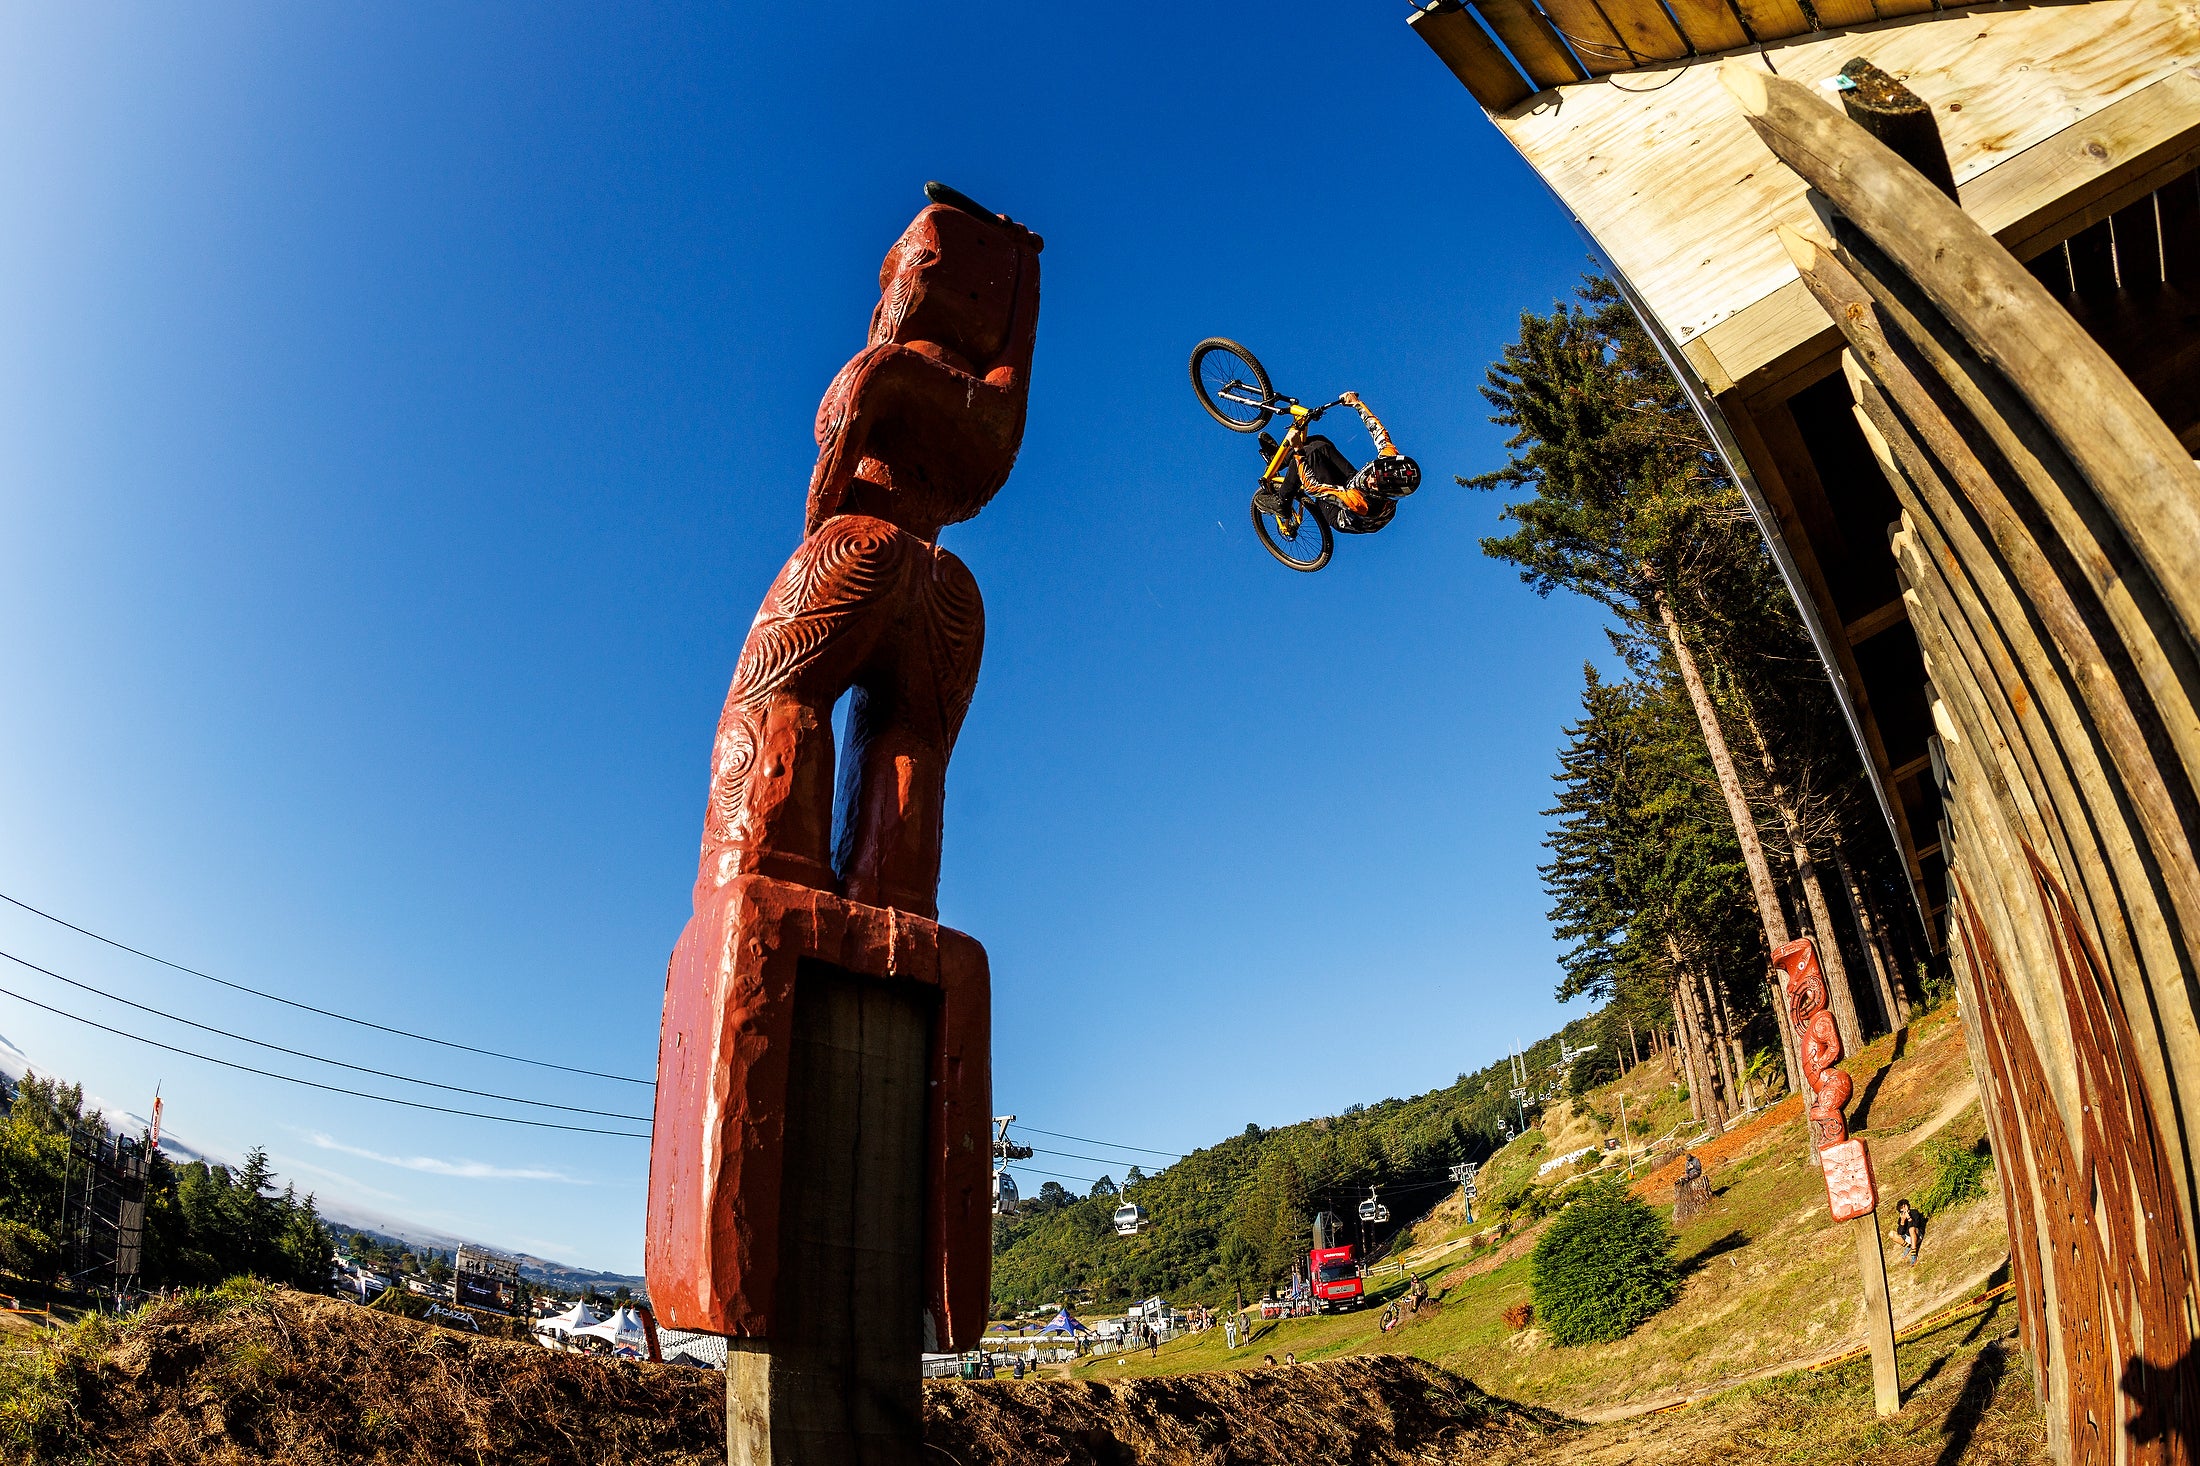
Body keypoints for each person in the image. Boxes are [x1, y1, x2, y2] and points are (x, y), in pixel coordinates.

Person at [1253, 393, 1421, 535]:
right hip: (1354, 485)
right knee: (1320, 444)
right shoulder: (1389, 461)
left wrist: (1297, 450)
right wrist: (1356, 403)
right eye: (1374, 473)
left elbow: (1313, 488)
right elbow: (1377, 430)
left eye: (1375, 485)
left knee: (1306, 458)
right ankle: (1278, 458)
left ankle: (1282, 502)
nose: (1370, 479)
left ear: (1384, 494)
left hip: (1342, 512)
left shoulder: (1361, 504)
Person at [1894, 1199, 1925, 1264]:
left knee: (1911, 1229)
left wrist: (1909, 1218)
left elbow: (1916, 1225)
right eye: (1902, 1208)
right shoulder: (1901, 1218)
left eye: (1905, 1206)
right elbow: (1900, 1232)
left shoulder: (1914, 1212)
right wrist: (1902, 1221)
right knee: (1891, 1234)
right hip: (1908, 1237)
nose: (1904, 1209)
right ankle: (1909, 1246)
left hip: (1917, 1235)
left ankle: (1914, 1254)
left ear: (1908, 1205)